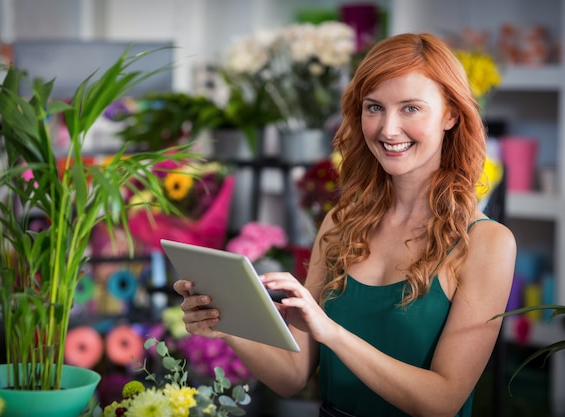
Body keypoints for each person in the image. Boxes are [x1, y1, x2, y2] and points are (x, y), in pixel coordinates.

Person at [173, 32, 516, 417]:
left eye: (410, 108)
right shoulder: (340, 223)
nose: (388, 129)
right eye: (374, 108)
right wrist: (227, 324)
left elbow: (443, 401)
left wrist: (332, 332)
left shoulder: (487, 242)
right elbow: (291, 377)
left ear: (451, 114)